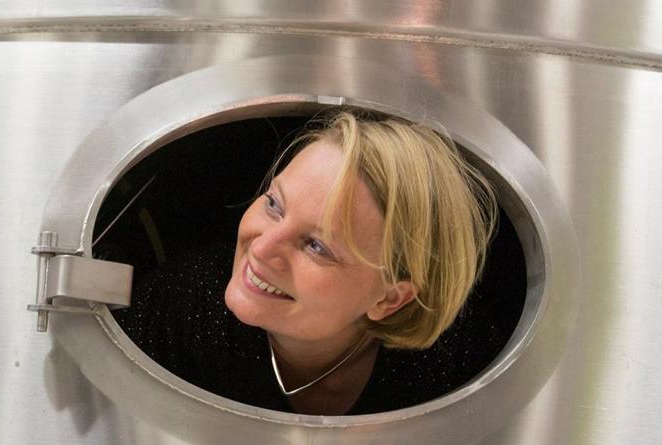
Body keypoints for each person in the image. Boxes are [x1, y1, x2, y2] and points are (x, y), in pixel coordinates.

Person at [114, 109, 506, 415]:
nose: (263, 248)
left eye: (316, 246)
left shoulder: (457, 370)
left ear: (391, 299)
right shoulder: (182, 304)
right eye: (274, 205)